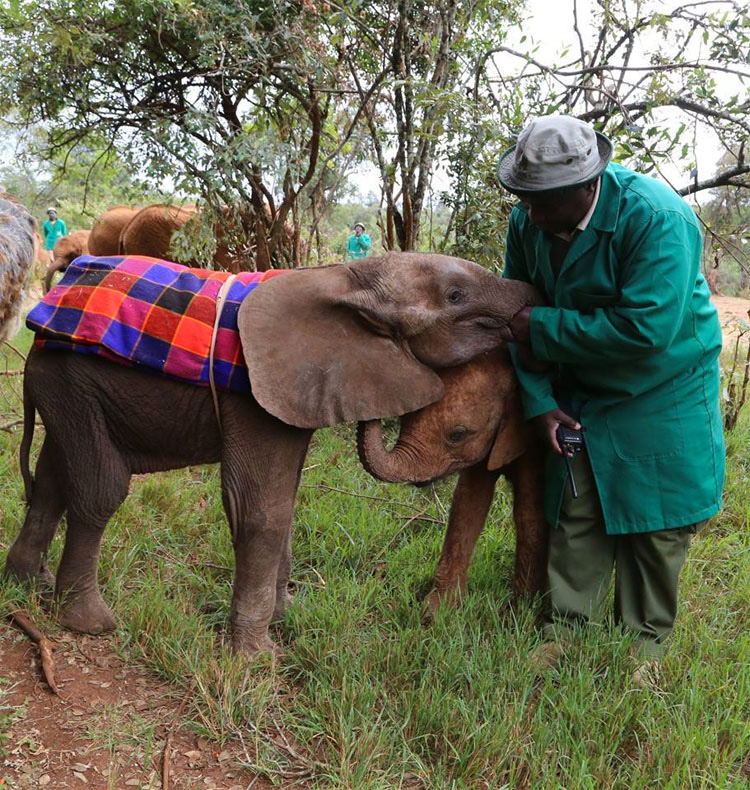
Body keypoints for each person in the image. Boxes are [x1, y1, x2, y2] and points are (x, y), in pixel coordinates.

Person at [496, 115, 724, 688]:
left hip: (662, 387)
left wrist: (542, 328)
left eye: (541, 201)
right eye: (522, 198)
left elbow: (646, 331)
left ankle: (644, 647)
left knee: (655, 521)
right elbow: (512, 314)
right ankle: (567, 631)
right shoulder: (529, 224)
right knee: (577, 511)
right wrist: (541, 401)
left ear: (587, 184)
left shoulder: (657, 218)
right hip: (578, 389)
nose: (528, 213)